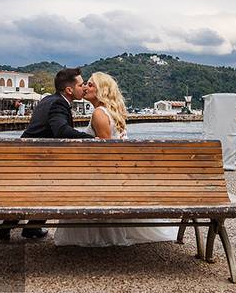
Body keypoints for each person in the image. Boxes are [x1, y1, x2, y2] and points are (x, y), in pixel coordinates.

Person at [53, 71, 177, 247]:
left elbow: (106, 154)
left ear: (101, 90)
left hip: (107, 176)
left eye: (90, 84)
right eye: (85, 84)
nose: (86, 88)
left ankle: (100, 234)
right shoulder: (113, 112)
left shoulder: (99, 114)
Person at [0, 67, 93, 241]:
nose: (84, 87)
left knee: (33, 190)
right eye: (81, 84)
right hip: (33, 159)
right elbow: (61, 130)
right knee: (57, 185)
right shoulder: (59, 103)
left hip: (25, 156)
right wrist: (91, 138)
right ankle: (30, 227)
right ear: (69, 90)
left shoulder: (49, 99)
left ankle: (10, 228)